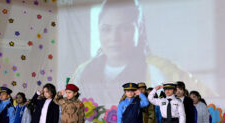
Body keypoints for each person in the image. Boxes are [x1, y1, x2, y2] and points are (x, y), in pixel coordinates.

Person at [71, 0, 215, 107]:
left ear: (139, 29)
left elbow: (209, 100)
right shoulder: (83, 71)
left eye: (124, 28)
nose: (114, 38)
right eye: (106, 29)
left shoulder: (161, 69)